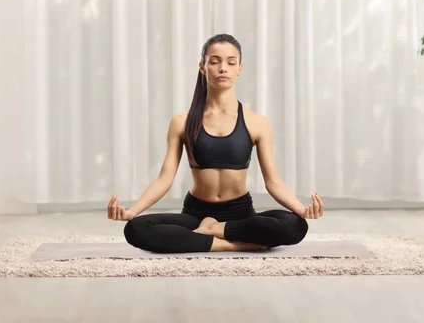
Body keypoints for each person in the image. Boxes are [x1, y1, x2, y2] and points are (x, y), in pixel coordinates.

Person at [107, 33, 324, 253]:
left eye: (231, 62)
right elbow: (165, 178)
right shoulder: (181, 122)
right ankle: (232, 244)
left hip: (240, 215)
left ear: (239, 68)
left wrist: (301, 209)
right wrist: (132, 212)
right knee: (136, 228)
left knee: (295, 226)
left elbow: (273, 182)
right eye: (215, 61)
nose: (223, 68)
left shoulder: (257, 123)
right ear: (202, 66)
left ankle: (213, 230)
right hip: (195, 214)